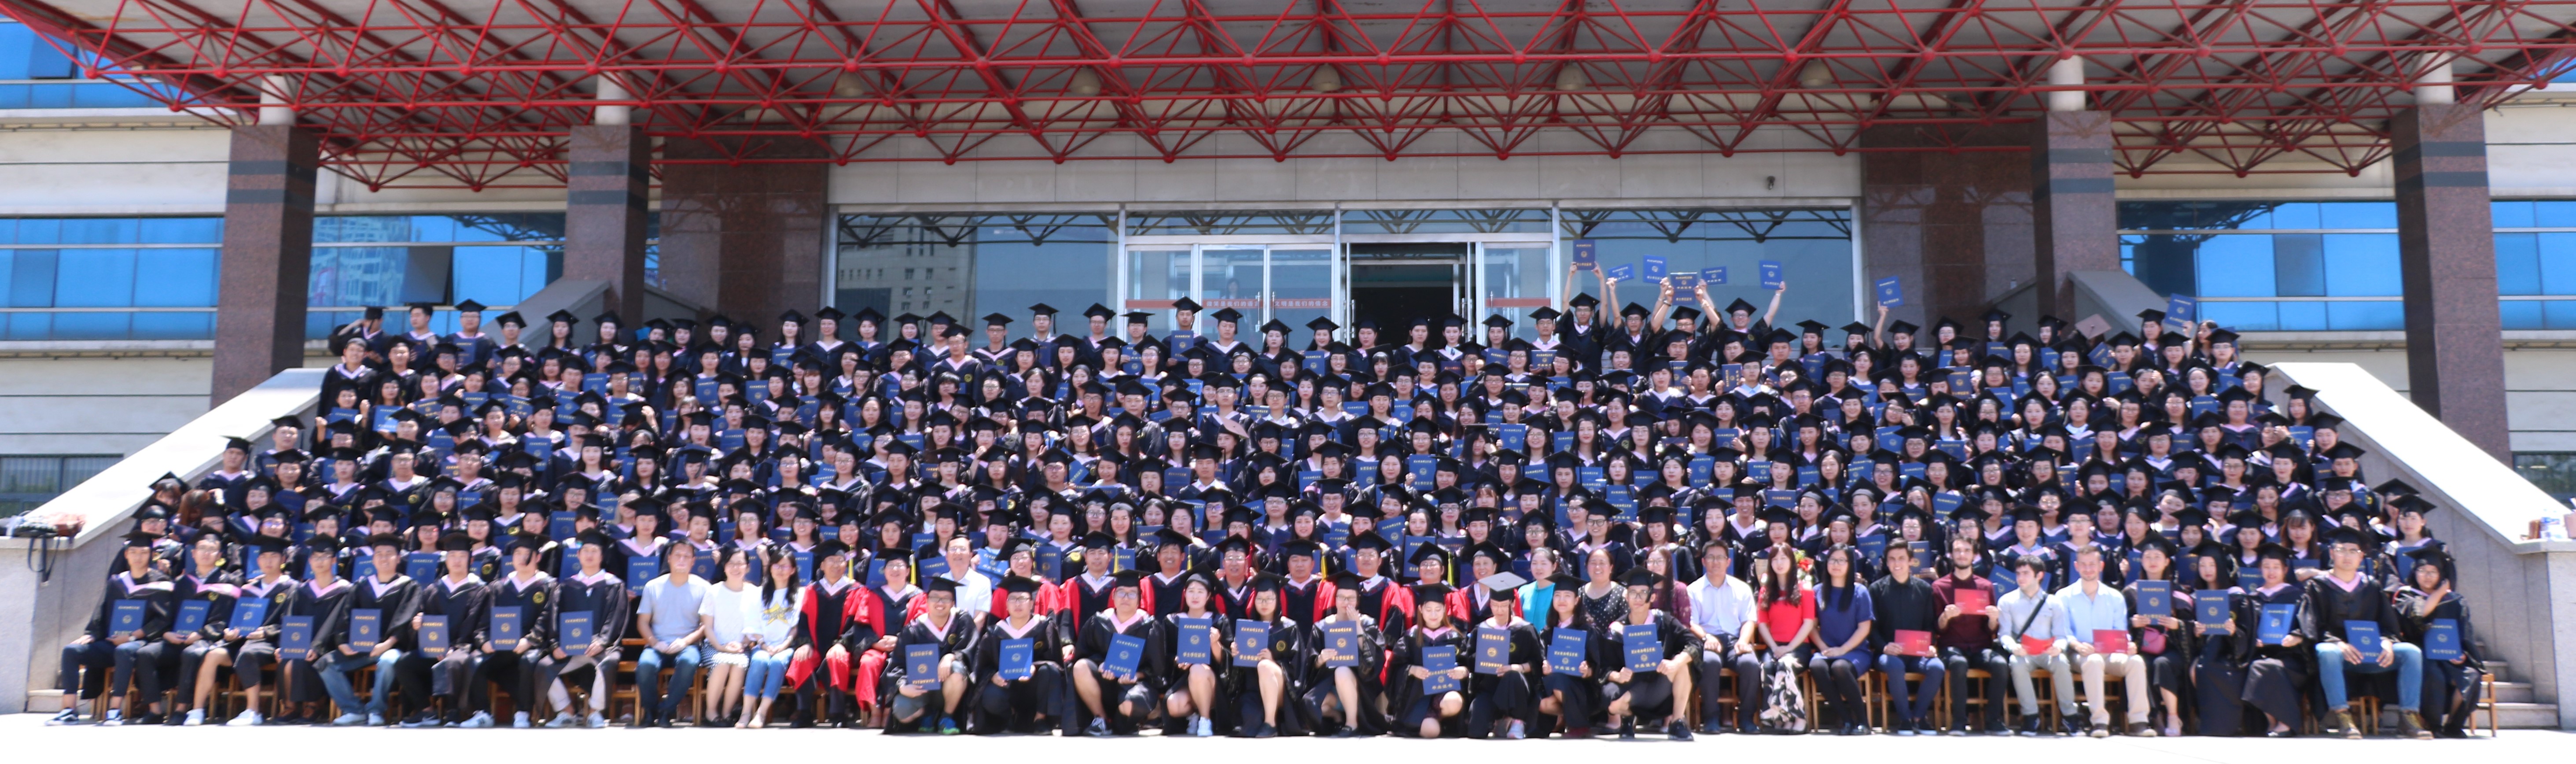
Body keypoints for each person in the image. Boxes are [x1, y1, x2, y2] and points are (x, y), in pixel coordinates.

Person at [2306, 527, 2430, 738]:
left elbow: (2388, 624)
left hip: (2372, 653)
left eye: (2353, 551)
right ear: (2332, 553)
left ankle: (2408, 717)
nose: (2347, 556)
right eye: (2341, 550)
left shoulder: (2371, 586)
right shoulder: (2318, 586)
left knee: (2411, 652)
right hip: (2338, 654)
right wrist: (2338, 643)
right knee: (2328, 652)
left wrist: (2387, 642)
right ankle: (2343, 717)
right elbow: (2313, 624)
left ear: (2361, 556)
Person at [2056, 545, 2151, 737]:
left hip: (2110, 652)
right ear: (2076, 566)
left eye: (2092, 564)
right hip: (2080, 654)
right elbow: (2064, 632)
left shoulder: (2115, 597)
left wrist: (2128, 644)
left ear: (2101, 566)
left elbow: (2121, 630)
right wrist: (2078, 646)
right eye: (2084, 565)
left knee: (2136, 662)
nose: (2088, 569)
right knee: (2094, 661)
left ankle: (2139, 722)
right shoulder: (2063, 596)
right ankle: (2099, 722)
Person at [1601, 568, 1699, 740]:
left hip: (1660, 684)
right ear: (1626, 596)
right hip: (1632, 686)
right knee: (1612, 704)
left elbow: (1695, 644)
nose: (1638, 598)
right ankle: (1628, 717)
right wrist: (1618, 675)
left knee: (1683, 665)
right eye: (1633, 593)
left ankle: (1677, 722)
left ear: (1652, 597)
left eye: (1643, 593)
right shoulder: (1617, 628)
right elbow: (1604, 667)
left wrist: (1676, 662)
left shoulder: (1665, 621)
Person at [2393, 549, 2482, 738]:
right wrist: (2441, 591)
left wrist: (2463, 654)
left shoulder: (2455, 600)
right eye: (2422, 570)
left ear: (2442, 575)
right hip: (2420, 653)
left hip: (2448, 654)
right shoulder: (2406, 595)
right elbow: (2421, 613)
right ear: (2414, 572)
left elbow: (2464, 632)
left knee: (2471, 676)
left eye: (2433, 572)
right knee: (2434, 674)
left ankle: (2453, 726)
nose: (2427, 576)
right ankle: (2434, 725)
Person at [1932, 535, 2009, 735]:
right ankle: (1959, 721)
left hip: (1980, 647)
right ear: (1951, 555)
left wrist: (1993, 619)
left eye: (1967, 551)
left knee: (2000, 664)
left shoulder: (1986, 586)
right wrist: (1945, 617)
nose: (1962, 555)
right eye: (1958, 551)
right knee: (1958, 664)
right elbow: (1938, 629)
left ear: (1974, 555)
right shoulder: (1940, 586)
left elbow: (1991, 630)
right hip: (1952, 646)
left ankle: (1993, 720)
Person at [1868, 540, 1946, 735]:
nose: (1897, 563)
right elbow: (1871, 629)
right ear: (1886, 562)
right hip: (1888, 653)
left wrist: (1931, 645)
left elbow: (1929, 624)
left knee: (1937, 667)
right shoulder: (1876, 590)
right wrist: (1884, 647)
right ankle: (1904, 719)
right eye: (1892, 559)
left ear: (1911, 561)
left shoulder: (1924, 589)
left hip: (1917, 653)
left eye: (1902, 558)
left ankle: (1918, 718)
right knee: (1895, 665)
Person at [973, 575, 1068, 734]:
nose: (1017, 604)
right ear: (1006, 605)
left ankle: (1040, 719)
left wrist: (1036, 667)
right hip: (1007, 688)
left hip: (1034, 689)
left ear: (1031, 604)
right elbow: (982, 666)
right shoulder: (995, 633)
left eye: (1023, 599)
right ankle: (1010, 719)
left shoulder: (1044, 627)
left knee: (1049, 671)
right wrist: (993, 676)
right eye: (1013, 599)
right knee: (990, 694)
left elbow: (1056, 663)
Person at [1996, 553, 2078, 736]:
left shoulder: (2054, 602)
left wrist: (2059, 647)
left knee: (2061, 662)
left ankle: (2070, 715)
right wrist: (2013, 647)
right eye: (2018, 574)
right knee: (2016, 663)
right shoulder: (2007, 601)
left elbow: (2062, 635)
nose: (2021, 578)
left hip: (2047, 651)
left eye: (2026, 573)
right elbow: (2004, 634)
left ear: (2039, 575)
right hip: (2024, 650)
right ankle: (2030, 715)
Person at [1686, 540, 1762, 734]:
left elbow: (1749, 620)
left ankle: (1747, 718)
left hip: (1735, 640)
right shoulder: (1693, 590)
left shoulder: (1742, 588)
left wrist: (1743, 641)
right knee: (1709, 663)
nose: (1716, 562)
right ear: (1703, 561)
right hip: (1708, 641)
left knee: (1751, 664)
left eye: (1720, 557)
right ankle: (1711, 717)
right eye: (1711, 557)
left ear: (1728, 562)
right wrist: (1706, 638)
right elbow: (1692, 623)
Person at [633, 541, 710, 728]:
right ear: (669, 559)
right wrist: (654, 642)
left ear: (693, 561)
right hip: (657, 644)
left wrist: (686, 641)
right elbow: (642, 622)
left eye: (687, 556)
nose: (682, 559)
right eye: (677, 555)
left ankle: (667, 711)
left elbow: (705, 625)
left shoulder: (704, 587)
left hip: (687, 645)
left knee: (689, 662)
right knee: (645, 665)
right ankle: (650, 711)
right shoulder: (653, 586)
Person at [1806, 546, 1873, 734]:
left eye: (1842, 560)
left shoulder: (1860, 591)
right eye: (1833, 560)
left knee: (1840, 667)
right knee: (1817, 666)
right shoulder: (1818, 591)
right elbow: (1811, 626)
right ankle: (1846, 720)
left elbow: (1865, 628)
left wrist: (1843, 650)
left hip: (1855, 651)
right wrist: (1823, 647)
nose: (1836, 564)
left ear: (1850, 564)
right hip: (1827, 649)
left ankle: (1863, 722)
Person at [739, 548, 803, 727]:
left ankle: (761, 713)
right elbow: (752, 623)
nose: (780, 570)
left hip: (786, 646)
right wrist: (763, 644)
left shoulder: (800, 594)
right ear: (770, 568)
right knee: (759, 661)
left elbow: (797, 627)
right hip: (763, 644)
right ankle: (746, 713)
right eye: (776, 565)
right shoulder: (758, 594)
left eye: (785, 566)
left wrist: (784, 645)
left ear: (793, 570)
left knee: (777, 663)